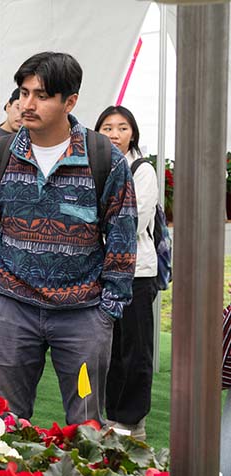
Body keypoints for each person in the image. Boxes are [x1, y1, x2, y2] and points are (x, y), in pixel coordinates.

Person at [0, 52, 136, 425]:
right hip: (10, 310)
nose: (27, 104)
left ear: (69, 101)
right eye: (23, 93)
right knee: (7, 422)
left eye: (41, 95)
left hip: (84, 316)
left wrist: (108, 311)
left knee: (86, 420)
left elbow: (122, 238)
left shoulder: (104, 158)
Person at [95, 105, 159, 439]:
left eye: (121, 128)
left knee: (135, 350)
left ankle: (133, 421)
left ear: (132, 133)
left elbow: (133, 219)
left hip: (136, 273)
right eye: (107, 128)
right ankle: (111, 417)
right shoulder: (92, 167)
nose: (114, 135)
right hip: (99, 273)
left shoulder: (142, 170)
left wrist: (96, 222)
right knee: (108, 348)